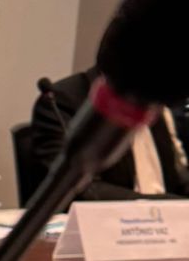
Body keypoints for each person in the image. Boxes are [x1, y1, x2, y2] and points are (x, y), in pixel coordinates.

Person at [32, 70, 189, 200]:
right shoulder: (62, 99)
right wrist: (163, 205)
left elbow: (179, 178)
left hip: (167, 223)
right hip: (103, 224)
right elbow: (79, 187)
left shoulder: (156, 99)